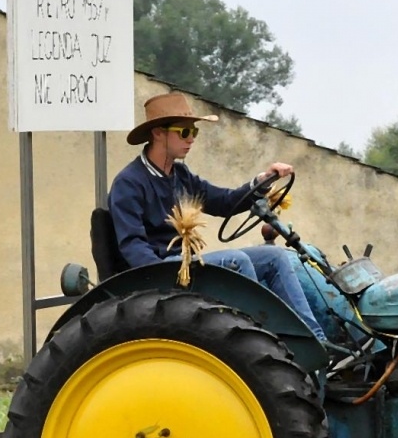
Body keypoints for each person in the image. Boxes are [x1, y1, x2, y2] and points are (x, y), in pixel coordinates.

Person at [109, 92, 327, 342]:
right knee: (236, 260)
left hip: (187, 263)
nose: (191, 139)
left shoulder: (181, 175)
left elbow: (224, 202)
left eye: (195, 132)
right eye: (184, 132)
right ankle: (259, 345)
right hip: (165, 270)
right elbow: (133, 246)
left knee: (275, 257)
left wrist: (262, 182)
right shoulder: (129, 183)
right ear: (158, 133)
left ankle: (314, 342)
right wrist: (165, 273)